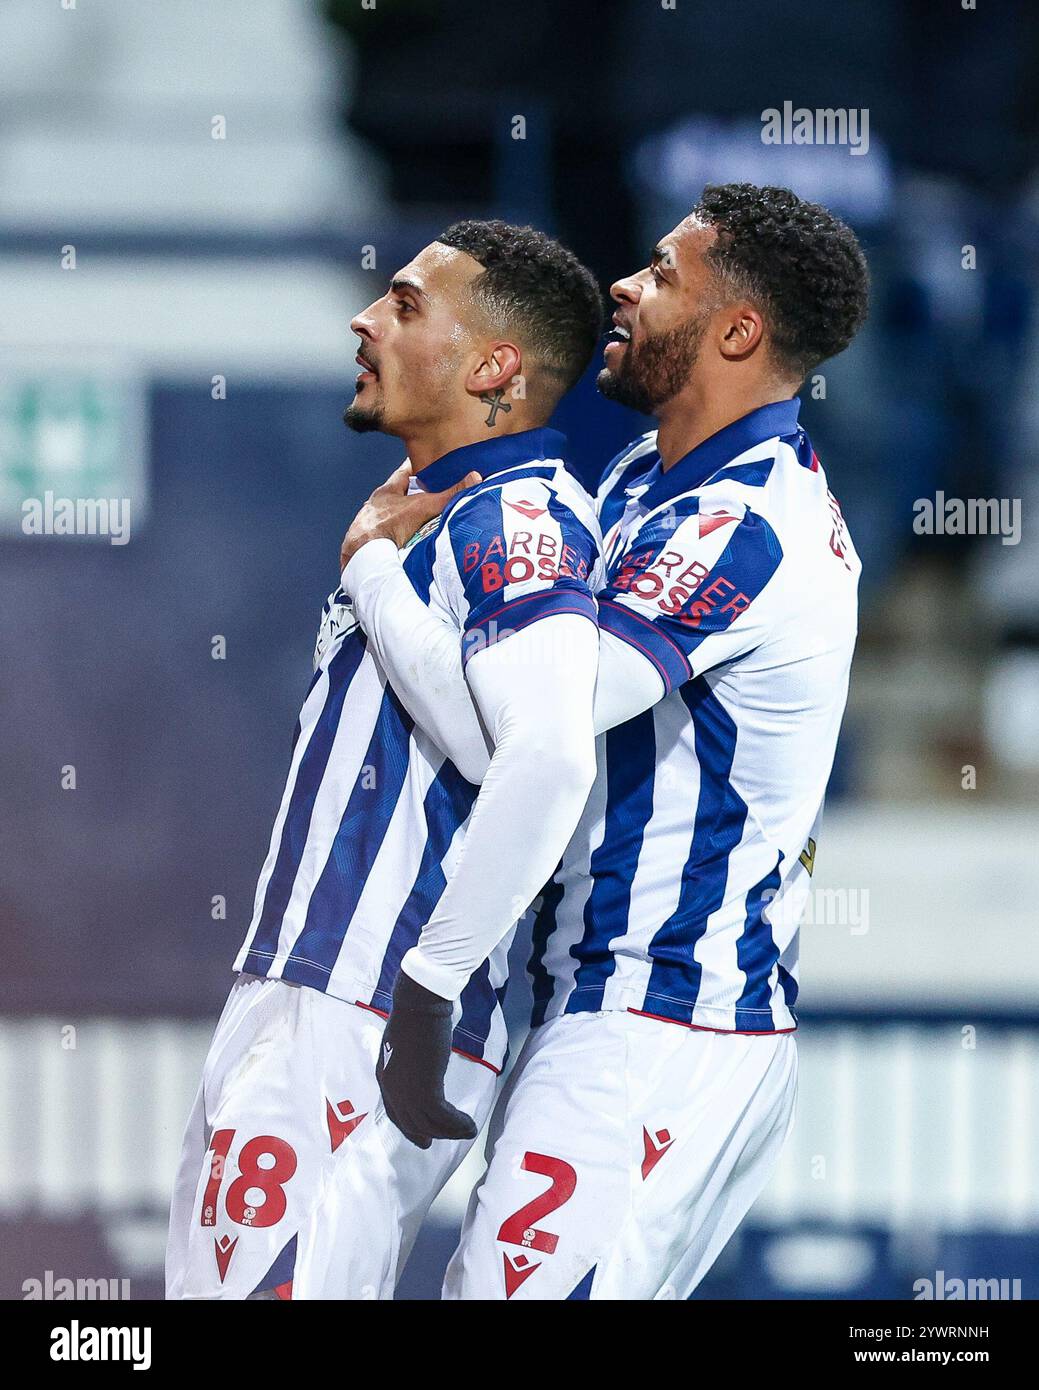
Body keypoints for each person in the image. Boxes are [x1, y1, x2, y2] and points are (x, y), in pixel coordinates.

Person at [338, 183, 870, 1299]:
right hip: (616, 1010)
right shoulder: (647, 475)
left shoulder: (743, 525)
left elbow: (522, 735)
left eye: (665, 273)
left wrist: (374, 572)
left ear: (736, 331)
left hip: (658, 1020)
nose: (624, 286)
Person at [165, 220, 606, 1298]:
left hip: (363, 1009)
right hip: (302, 988)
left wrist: (369, 575)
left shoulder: (519, 517)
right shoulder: (428, 516)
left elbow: (540, 758)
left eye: (406, 305)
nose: (365, 319)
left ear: (494, 365)